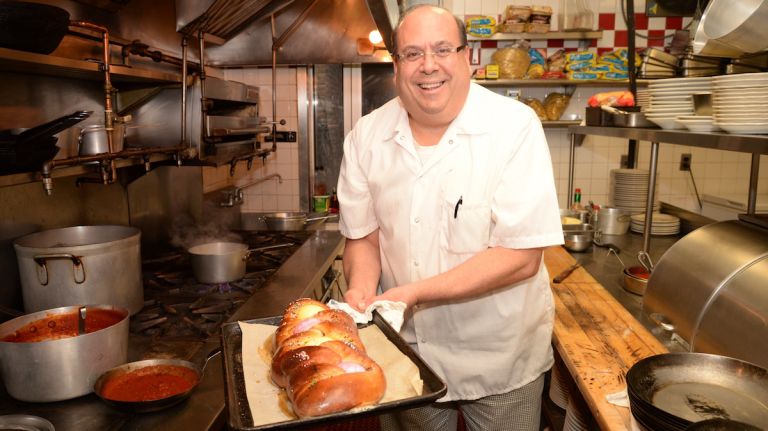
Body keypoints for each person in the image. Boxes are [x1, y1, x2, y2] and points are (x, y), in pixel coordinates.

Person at [336, 4, 563, 431]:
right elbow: (363, 238)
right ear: (397, 64)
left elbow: (521, 256)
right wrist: (362, 292)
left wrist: (412, 294)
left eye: (442, 49)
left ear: (466, 57)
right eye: (412, 53)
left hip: (501, 360)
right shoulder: (366, 136)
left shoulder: (514, 127)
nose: (428, 66)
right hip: (409, 354)